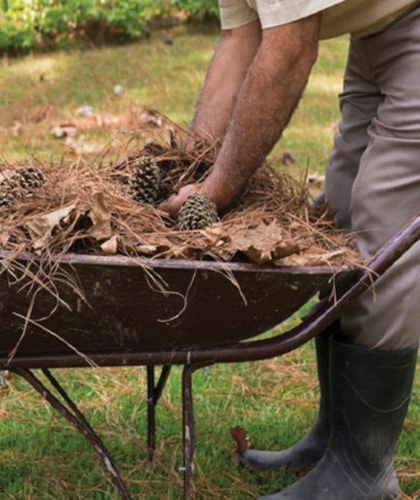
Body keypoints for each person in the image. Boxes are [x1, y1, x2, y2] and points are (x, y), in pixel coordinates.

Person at [160, 1, 420, 498]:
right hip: (379, 25)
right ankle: (334, 439)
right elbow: (241, 40)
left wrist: (214, 191)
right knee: (339, 213)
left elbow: (289, 52)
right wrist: (191, 166)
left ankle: (362, 471)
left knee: (381, 228)